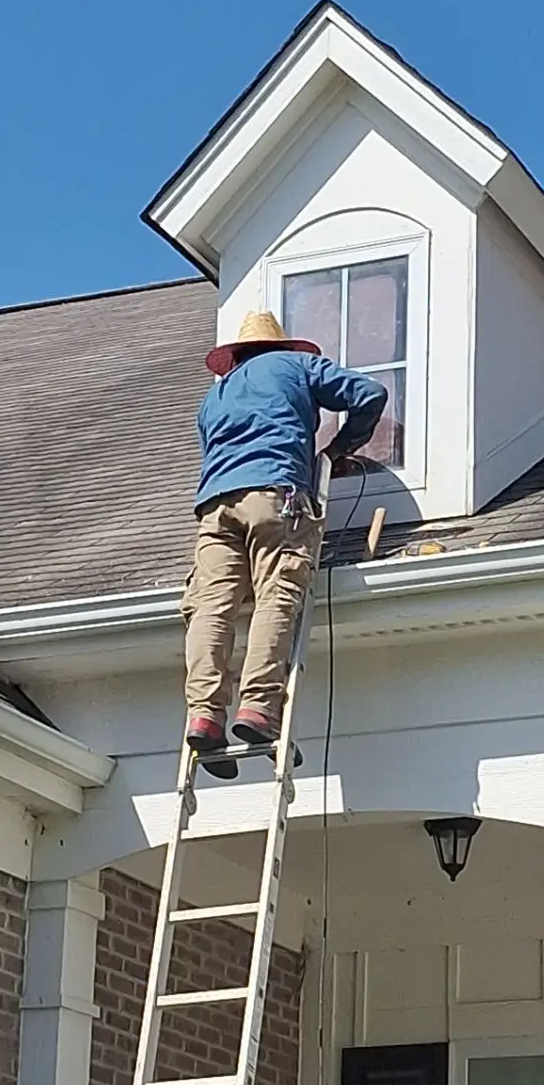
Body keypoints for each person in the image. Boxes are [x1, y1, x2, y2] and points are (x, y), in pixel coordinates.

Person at [183, 309, 387, 778]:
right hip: (277, 495)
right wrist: (339, 451)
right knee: (277, 595)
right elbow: (369, 393)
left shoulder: (215, 396)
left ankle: (204, 714)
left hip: (215, 507)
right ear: (281, 347)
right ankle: (257, 710)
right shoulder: (296, 368)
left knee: (212, 608)